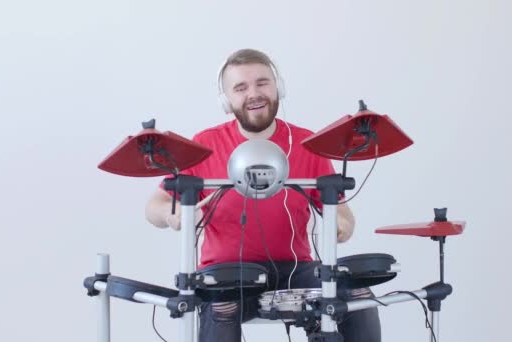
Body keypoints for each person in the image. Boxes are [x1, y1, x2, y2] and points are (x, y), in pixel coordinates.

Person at [145, 48, 381, 342]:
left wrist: (341, 226)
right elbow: (154, 206)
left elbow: (342, 212)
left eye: (262, 83)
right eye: (241, 88)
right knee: (222, 305)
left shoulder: (307, 143)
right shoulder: (204, 144)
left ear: (278, 87)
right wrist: (173, 214)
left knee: (357, 293)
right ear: (226, 101)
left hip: (296, 269)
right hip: (227, 274)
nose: (254, 93)